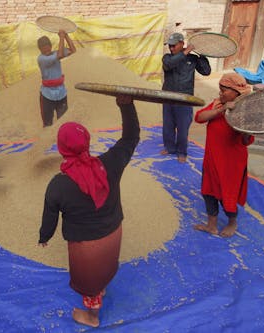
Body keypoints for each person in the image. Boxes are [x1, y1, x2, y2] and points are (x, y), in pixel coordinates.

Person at [38, 94, 140, 327]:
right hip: (114, 233)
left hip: (87, 247)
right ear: (87, 142)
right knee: (104, 270)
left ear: (62, 149)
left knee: (90, 284)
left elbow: (50, 216)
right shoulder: (110, 163)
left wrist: (45, 236)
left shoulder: (58, 185)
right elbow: (131, 137)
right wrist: (126, 105)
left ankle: (91, 317)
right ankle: (101, 289)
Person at [193, 73, 254, 237]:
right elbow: (199, 117)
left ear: (236, 92)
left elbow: (248, 140)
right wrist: (221, 110)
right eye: (220, 89)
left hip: (231, 163)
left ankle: (232, 222)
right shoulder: (218, 104)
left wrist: (245, 130)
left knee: (228, 193)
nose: (221, 93)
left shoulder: (245, 110)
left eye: (224, 90)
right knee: (208, 191)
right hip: (212, 158)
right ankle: (211, 225)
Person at [161, 32, 211, 163]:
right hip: (168, 97)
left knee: (183, 128)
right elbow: (169, 65)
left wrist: (202, 54)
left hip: (185, 99)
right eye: (170, 46)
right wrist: (184, 53)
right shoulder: (167, 58)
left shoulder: (192, 59)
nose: (171, 49)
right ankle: (169, 147)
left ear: (182, 43)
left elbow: (206, 71)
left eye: (174, 46)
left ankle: (181, 152)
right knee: (168, 125)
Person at [37, 29, 76, 127]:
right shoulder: (41, 59)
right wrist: (61, 37)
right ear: (40, 49)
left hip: (61, 93)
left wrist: (66, 36)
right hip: (47, 95)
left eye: (47, 47)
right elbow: (60, 55)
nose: (46, 50)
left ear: (50, 46)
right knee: (47, 124)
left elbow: (73, 50)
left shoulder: (55, 53)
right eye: (43, 49)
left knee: (63, 123)